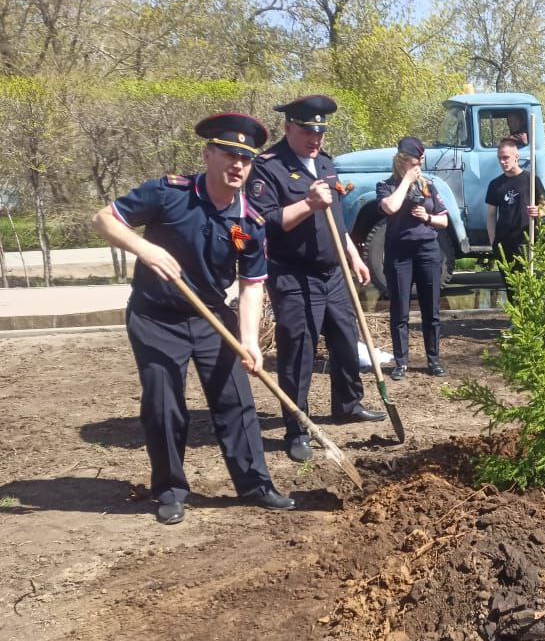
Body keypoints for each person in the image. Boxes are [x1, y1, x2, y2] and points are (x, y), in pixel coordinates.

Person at [91, 113, 295, 525]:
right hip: (155, 316)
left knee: (236, 400)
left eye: (246, 158)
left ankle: (256, 484)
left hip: (211, 318)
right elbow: (104, 219)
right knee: (164, 404)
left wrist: (250, 340)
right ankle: (169, 489)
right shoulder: (169, 194)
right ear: (208, 154)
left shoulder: (248, 223)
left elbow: (252, 284)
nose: (237, 165)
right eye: (229, 154)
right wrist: (142, 249)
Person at [248, 95, 385, 464]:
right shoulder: (268, 168)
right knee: (299, 352)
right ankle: (297, 427)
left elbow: (337, 221)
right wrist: (307, 203)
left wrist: (354, 256)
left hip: (332, 272)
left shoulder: (326, 164)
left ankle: (347, 404)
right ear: (289, 127)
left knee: (345, 341)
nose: (316, 138)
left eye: (321, 131)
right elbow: (266, 224)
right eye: (309, 131)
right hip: (292, 274)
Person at [375, 136, 450, 380]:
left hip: (428, 251)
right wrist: (406, 181)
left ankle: (434, 359)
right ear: (402, 161)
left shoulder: (429, 185)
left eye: (421, 159)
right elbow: (391, 207)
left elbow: (444, 220)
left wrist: (427, 217)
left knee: (431, 309)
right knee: (400, 310)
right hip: (399, 253)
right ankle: (401, 362)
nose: (420, 164)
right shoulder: (386, 185)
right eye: (415, 160)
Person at [486, 137, 545, 299]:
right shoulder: (495, 184)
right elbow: (491, 215)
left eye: (506, 157)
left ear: (516, 157)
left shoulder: (530, 179)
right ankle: (517, 321)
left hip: (526, 241)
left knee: (527, 283)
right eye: (500, 157)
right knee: (510, 285)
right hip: (503, 243)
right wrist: (493, 241)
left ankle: (529, 320)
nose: (502, 161)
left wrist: (538, 211)